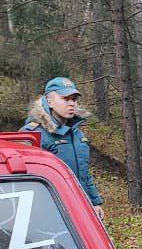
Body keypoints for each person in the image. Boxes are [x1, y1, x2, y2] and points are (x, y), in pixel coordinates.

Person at [23, 77, 104, 221]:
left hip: (80, 205)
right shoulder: (33, 135)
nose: (72, 103)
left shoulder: (77, 134)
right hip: (50, 210)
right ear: (49, 101)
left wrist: (94, 202)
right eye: (65, 99)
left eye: (74, 99)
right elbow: (24, 180)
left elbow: (83, 173)